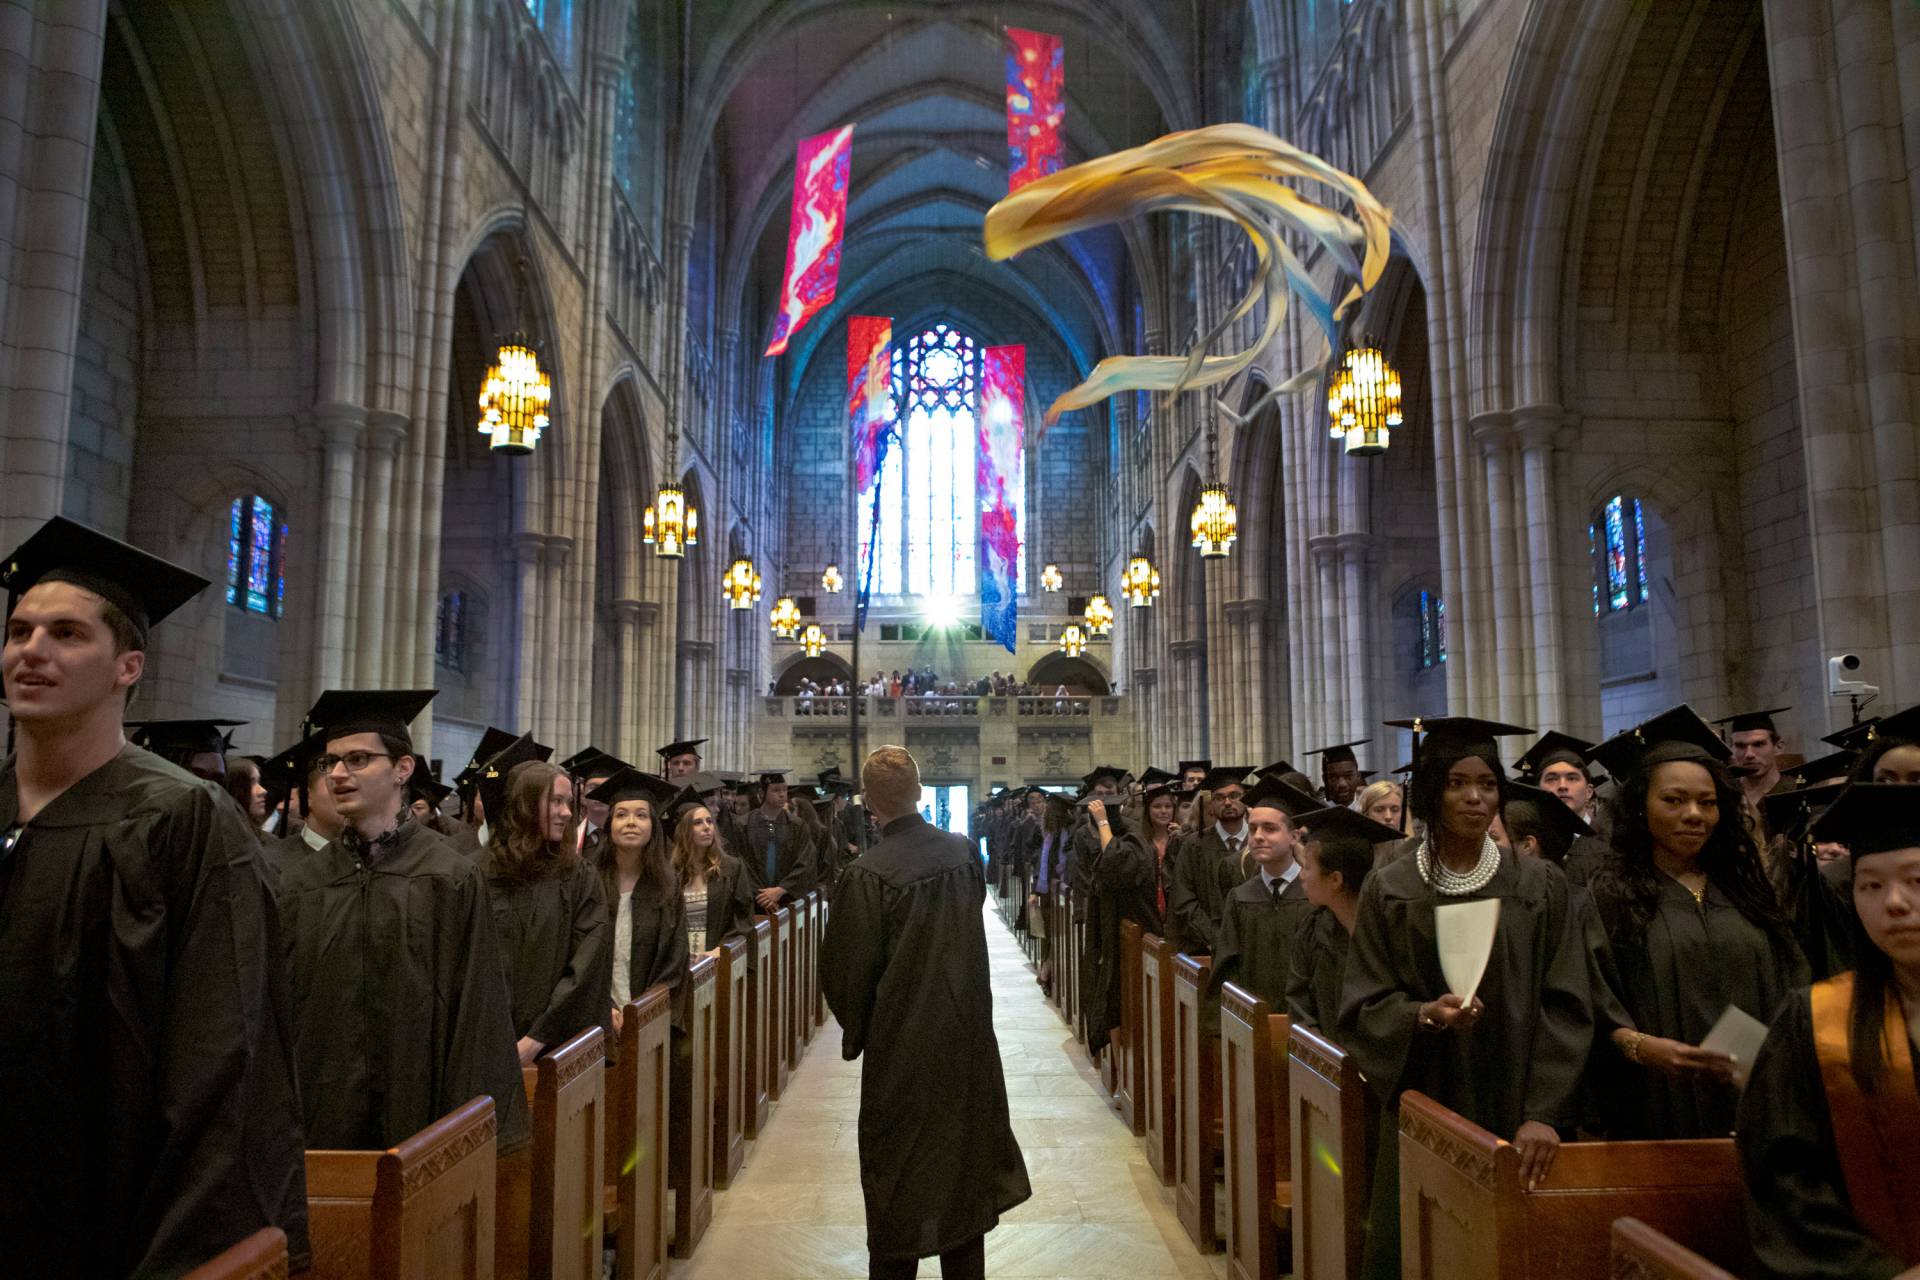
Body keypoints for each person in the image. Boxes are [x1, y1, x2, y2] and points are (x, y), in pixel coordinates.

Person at [0, 517, 309, 1274]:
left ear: (128, 665)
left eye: (66, 634)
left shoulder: (182, 819)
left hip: (114, 1220)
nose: (31, 651)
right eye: (18, 631)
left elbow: (221, 1049)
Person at [1342, 716, 1591, 1280]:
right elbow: (1364, 1003)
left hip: (1517, 1102)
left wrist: (1544, 1114)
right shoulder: (1393, 887)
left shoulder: (1537, 884)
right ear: (1432, 791)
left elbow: (1567, 1002)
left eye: (1487, 784)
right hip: (1427, 1094)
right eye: (1456, 783)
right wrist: (1423, 1015)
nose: (1475, 798)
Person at [277, 688, 529, 1158]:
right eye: (330, 762)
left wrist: (468, 1131)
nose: (337, 774)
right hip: (320, 1119)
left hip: (422, 1116)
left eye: (357, 759)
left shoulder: (448, 876)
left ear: (402, 769)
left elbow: (476, 1008)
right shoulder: (300, 883)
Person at [822, 746, 1031, 1279]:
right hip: (966, 1043)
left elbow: (847, 974)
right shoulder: (963, 854)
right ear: (919, 790)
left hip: (903, 1050)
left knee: (900, 1176)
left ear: (869, 803)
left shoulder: (867, 873)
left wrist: (866, 1027)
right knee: (964, 1181)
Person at [1584, 706, 1807, 1140]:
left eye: (1707, 803)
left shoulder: (1746, 889)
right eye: (1673, 800)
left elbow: (1792, 980)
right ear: (1641, 808)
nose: (1694, 814)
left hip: (1761, 1104)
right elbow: (1589, 1004)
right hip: (1657, 1104)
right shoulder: (1610, 896)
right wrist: (1642, 1047)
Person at [1737, 782, 1920, 1278]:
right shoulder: (1815, 1019)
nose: (1895, 903)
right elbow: (1785, 1181)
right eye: (1870, 885)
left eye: (1916, 880)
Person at [480, 760, 612, 1065]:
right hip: (484, 1048)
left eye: (568, 803)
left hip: (556, 1051)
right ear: (524, 805)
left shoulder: (578, 877)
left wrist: (534, 1040)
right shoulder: (477, 874)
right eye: (556, 801)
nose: (567, 812)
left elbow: (587, 964)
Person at [1210, 776, 1324, 1012]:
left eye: (1270, 829)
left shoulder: (1313, 898)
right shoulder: (1240, 897)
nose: (1258, 836)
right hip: (1250, 1026)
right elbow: (1226, 970)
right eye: (1252, 829)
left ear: (1294, 837)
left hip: (1305, 1029)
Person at [590, 769, 688, 1038]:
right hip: (595, 1018)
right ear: (609, 824)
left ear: (653, 826)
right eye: (621, 815)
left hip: (651, 1020)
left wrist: (642, 1010)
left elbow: (675, 960)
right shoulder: (588, 883)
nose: (630, 822)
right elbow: (578, 955)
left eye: (641, 815)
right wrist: (604, 1008)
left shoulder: (668, 887)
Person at [1285, 806, 1396, 1031]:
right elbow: (1299, 1007)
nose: (1301, 876)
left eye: (1306, 867)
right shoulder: (1313, 929)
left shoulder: (1391, 934)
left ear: (1335, 880)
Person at [1084, 783, 1173, 1057]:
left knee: (1123, 1003)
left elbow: (1114, 864)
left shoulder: (1132, 841)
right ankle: (1124, 1075)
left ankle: (1128, 1075)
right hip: (1126, 935)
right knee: (1116, 1003)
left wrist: (1101, 823)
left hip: (1140, 935)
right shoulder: (1132, 838)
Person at [1166, 764, 1252, 953]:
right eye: (1219, 798)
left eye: (1235, 795)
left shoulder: (1258, 843)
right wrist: (1214, 938)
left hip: (1254, 945)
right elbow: (1183, 899)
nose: (1228, 802)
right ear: (1211, 806)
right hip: (1205, 948)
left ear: (1245, 799)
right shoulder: (1194, 845)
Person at [666, 787, 755, 956]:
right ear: (683, 831)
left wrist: (722, 949)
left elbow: (743, 919)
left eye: (709, 821)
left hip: (719, 959)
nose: (707, 827)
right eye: (697, 823)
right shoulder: (669, 873)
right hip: (680, 964)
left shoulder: (732, 868)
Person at [744, 768, 816, 912]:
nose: (782, 794)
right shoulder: (744, 824)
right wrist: (764, 897)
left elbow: (806, 860)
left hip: (787, 901)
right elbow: (742, 862)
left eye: (784, 789)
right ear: (762, 793)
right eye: (776, 790)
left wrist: (781, 889)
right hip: (754, 902)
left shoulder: (797, 825)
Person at [1308, 739, 1369, 809]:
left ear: (1358, 776)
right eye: (1334, 778)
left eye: (1348, 776)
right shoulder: (1315, 812)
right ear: (1324, 779)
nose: (1342, 784)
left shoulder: (1368, 812)